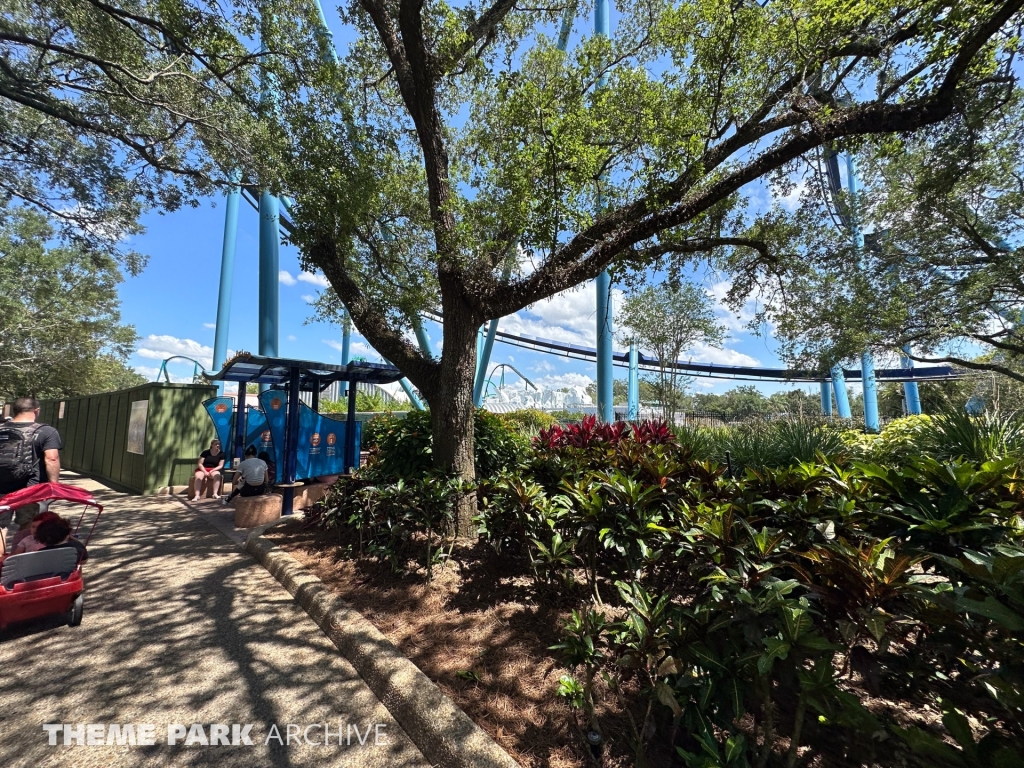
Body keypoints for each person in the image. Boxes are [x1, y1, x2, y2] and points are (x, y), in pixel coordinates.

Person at [0, 397, 62, 549]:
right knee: (28, 525)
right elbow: (51, 458)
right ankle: (19, 562)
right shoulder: (46, 431)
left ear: (15, 411)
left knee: (0, 526)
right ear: (36, 411)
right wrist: (54, 487)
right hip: (29, 489)